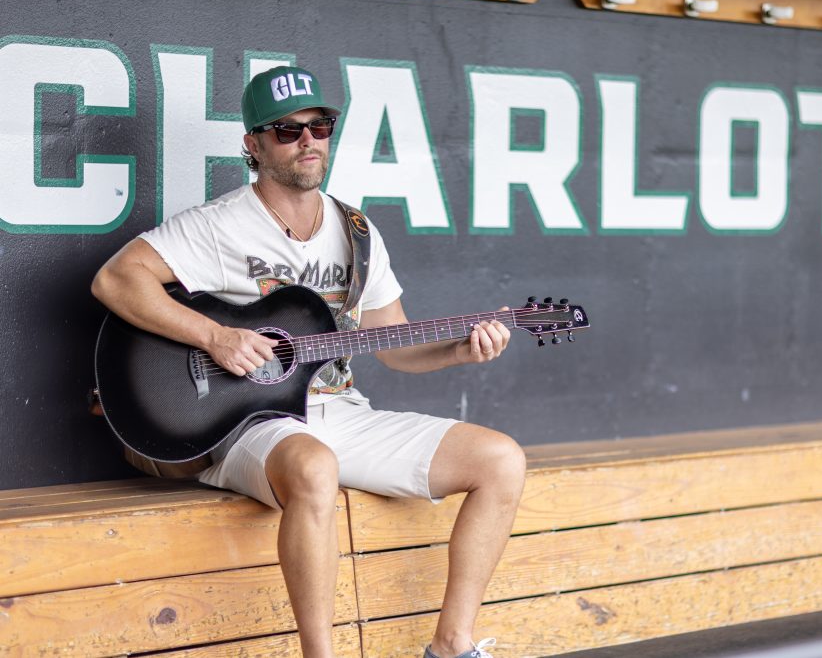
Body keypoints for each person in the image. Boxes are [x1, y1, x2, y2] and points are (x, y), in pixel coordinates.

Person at [91, 65, 526, 658]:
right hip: (247, 422)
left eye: (319, 127)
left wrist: (458, 348)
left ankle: (452, 644)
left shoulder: (357, 231)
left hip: (337, 411)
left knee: (500, 460)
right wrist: (215, 337)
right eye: (286, 130)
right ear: (253, 145)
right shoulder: (221, 225)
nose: (307, 142)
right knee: (315, 466)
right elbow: (117, 280)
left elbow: (392, 342)